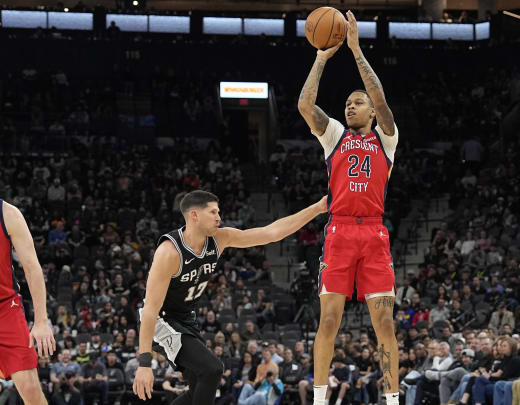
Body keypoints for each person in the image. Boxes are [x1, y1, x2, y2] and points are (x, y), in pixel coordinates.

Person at [133, 190, 327, 404]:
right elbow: (150, 309)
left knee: (199, 386)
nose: (219, 217)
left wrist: (317, 208)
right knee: (212, 369)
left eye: (219, 211)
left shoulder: (219, 238)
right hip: (161, 321)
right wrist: (144, 364)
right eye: (213, 212)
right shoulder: (169, 252)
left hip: (185, 319)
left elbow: (271, 233)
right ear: (194, 215)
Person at [297, 10, 400, 405]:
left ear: (372, 112)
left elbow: (380, 98)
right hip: (339, 230)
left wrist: (356, 51)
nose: (350, 107)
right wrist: (321, 58)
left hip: (374, 233)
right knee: (328, 320)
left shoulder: (386, 138)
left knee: (385, 323)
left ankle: (392, 399)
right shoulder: (335, 136)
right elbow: (306, 105)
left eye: (357, 103)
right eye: (347, 103)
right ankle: (320, 398)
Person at [0, 199, 56, 405]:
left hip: (5, 308)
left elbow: (32, 267)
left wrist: (41, 321)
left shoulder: (8, 214)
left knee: (31, 389)